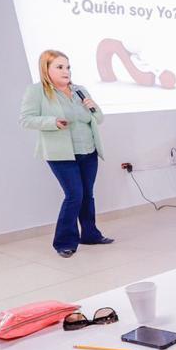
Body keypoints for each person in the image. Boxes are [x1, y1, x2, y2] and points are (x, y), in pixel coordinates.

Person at [19, 49, 113, 258]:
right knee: (74, 195)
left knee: (87, 194)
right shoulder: (37, 92)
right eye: (59, 67)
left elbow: (98, 119)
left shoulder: (80, 90)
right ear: (46, 69)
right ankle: (64, 242)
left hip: (88, 150)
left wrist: (93, 107)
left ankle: (90, 234)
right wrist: (52, 122)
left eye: (68, 67)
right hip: (61, 154)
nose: (66, 71)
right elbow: (26, 119)